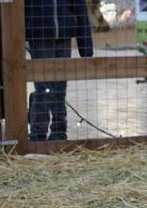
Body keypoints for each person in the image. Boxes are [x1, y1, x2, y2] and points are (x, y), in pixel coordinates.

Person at [25, 0, 94, 142]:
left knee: (60, 87)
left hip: (64, 34)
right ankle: (38, 133)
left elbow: (80, 7)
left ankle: (59, 131)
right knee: (43, 87)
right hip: (39, 34)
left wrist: (85, 45)